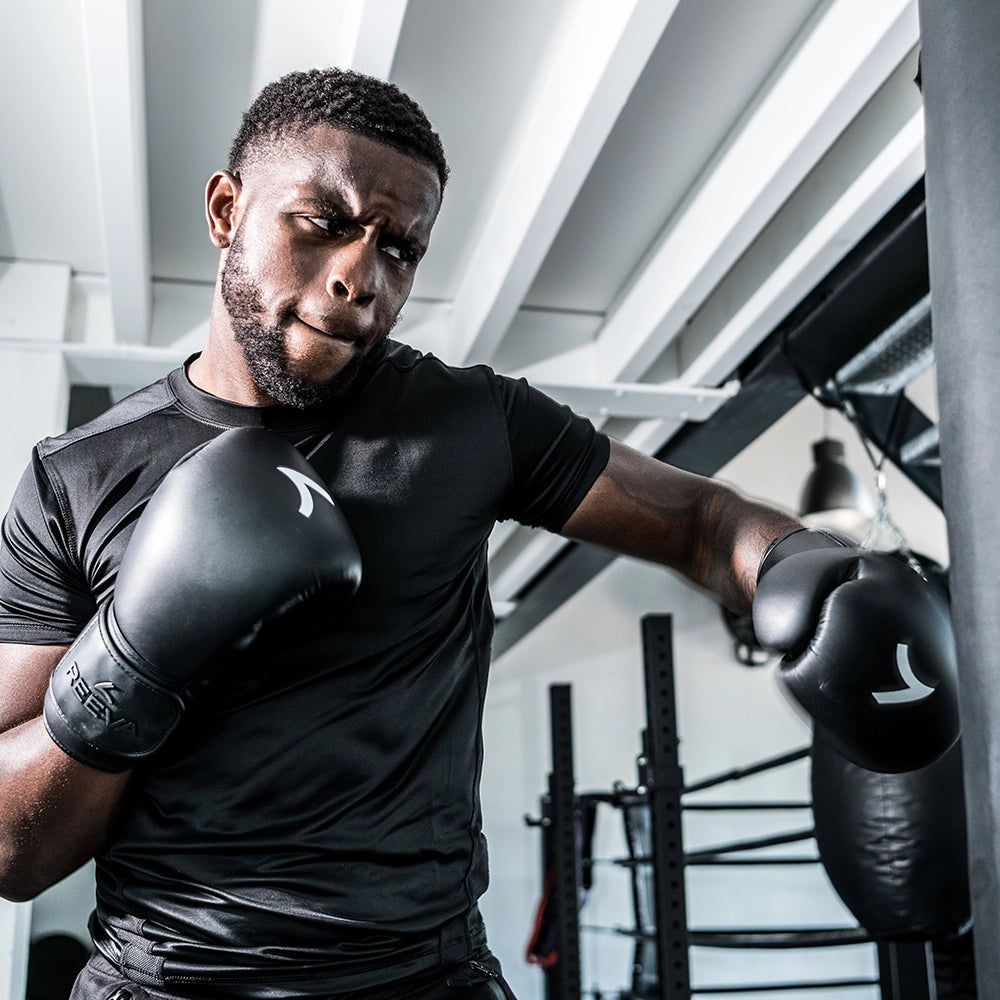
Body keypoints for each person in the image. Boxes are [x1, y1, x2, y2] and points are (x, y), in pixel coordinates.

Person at [0, 68, 957, 1000]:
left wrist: (799, 567)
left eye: (399, 250)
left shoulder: (471, 423)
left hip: (428, 973)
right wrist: (132, 658)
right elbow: (13, 851)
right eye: (323, 224)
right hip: (170, 979)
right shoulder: (74, 479)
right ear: (224, 211)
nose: (358, 278)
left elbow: (704, 522)